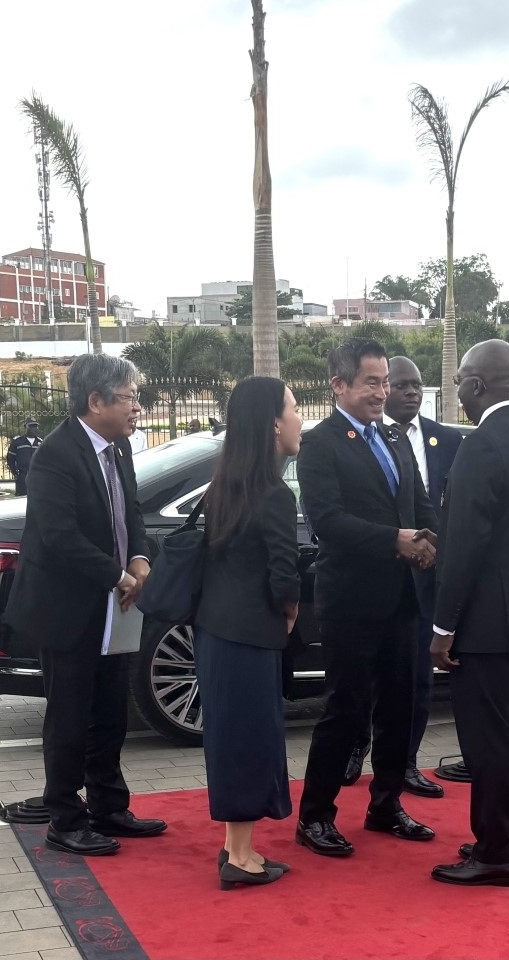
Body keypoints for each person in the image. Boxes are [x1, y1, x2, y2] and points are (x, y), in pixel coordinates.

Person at [4, 355, 166, 857]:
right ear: (95, 402)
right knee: (70, 716)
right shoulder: (56, 454)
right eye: (129, 397)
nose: (137, 407)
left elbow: (132, 513)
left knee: (110, 711)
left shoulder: (118, 450)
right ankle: (65, 818)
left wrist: (139, 560)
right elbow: (58, 537)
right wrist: (116, 574)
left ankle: (108, 806)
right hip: (69, 607)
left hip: (116, 604)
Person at [296, 338, 438, 858]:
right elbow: (327, 522)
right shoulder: (321, 444)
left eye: (386, 382)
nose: (383, 392)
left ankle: (386, 805)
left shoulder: (397, 440)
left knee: (400, 708)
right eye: (372, 382)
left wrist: (430, 542)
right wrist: (394, 540)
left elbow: (421, 505)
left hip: (402, 600)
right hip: (351, 603)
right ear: (339, 385)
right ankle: (315, 816)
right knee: (347, 712)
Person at [430, 340, 509, 888]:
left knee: (487, 738)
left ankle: (496, 850)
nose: (456, 389)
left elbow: (464, 547)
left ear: (478, 385)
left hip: (484, 620)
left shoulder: (481, 447)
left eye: (460, 379)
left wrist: (442, 627)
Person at [194, 376, 302, 890]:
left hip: (216, 632)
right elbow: (284, 573)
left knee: (229, 737)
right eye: (295, 409)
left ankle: (235, 846)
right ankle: (239, 856)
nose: (300, 419)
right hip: (251, 636)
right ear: (273, 423)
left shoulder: (225, 486)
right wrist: (290, 610)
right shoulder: (274, 494)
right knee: (248, 740)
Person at [343, 355, 461, 799]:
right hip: (374, 575)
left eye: (417, 385)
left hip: (424, 579)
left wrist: (439, 552)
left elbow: (447, 509)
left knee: (415, 679)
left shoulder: (446, 440)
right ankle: (357, 745)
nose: (412, 392)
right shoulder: (362, 440)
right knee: (363, 676)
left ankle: (405, 763)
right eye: (402, 385)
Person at [7, 418, 43, 496]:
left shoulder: (41, 442)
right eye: (31, 426)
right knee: (21, 498)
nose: (34, 428)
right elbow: (10, 458)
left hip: (37, 476)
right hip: (22, 475)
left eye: (35, 426)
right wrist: (15, 472)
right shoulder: (17, 442)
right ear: (25, 427)